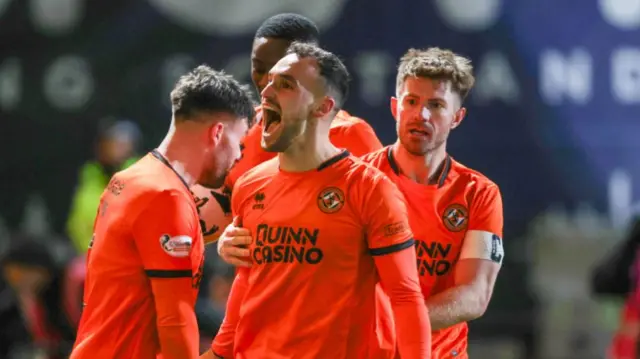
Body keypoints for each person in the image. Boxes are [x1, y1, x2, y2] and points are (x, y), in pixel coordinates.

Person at [201, 42, 431, 359]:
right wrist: (220, 352)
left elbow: (405, 295)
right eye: (268, 82)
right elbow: (249, 279)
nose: (266, 93)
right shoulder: (250, 184)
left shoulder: (369, 186)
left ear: (323, 107)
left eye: (284, 85)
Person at [70, 65, 255, 359]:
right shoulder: (167, 197)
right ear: (218, 133)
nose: (237, 157)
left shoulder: (128, 179)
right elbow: (174, 320)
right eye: (239, 143)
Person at [360, 48, 504, 358]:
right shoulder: (355, 180)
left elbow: (475, 296)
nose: (421, 115)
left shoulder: (478, 193)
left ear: (457, 117)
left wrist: (397, 325)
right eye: (412, 101)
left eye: (436, 105)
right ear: (395, 107)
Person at [193, 13, 383, 244]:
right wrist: (225, 242)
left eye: (280, 72)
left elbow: (388, 229)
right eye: (258, 68)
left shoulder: (350, 135)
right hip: (258, 280)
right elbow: (200, 220)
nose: (265, 82)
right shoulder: (240, 133)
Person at [66, 118, 141, 253]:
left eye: (122, 143)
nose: (115, 148)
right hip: (90, 255)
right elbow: (76, 224)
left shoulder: (142, 175)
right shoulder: (88, 175)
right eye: (111, 142)